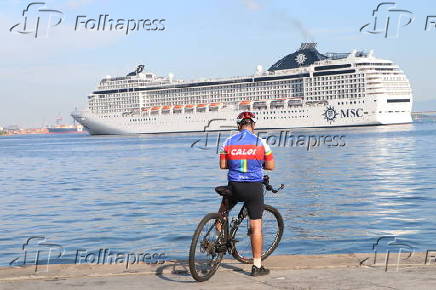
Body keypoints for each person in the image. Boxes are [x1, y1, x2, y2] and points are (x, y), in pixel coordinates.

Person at [218, 111, 275, 276]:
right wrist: (256, 165)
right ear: (253, 125)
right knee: (255, 226)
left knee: (222, 213)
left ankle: (218, 241)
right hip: (253, 188)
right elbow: (270, 166)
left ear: (238, 125)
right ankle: (256, 266)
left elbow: (223, 165)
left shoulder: (228, 141)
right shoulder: (261, 142)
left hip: (234, 186)